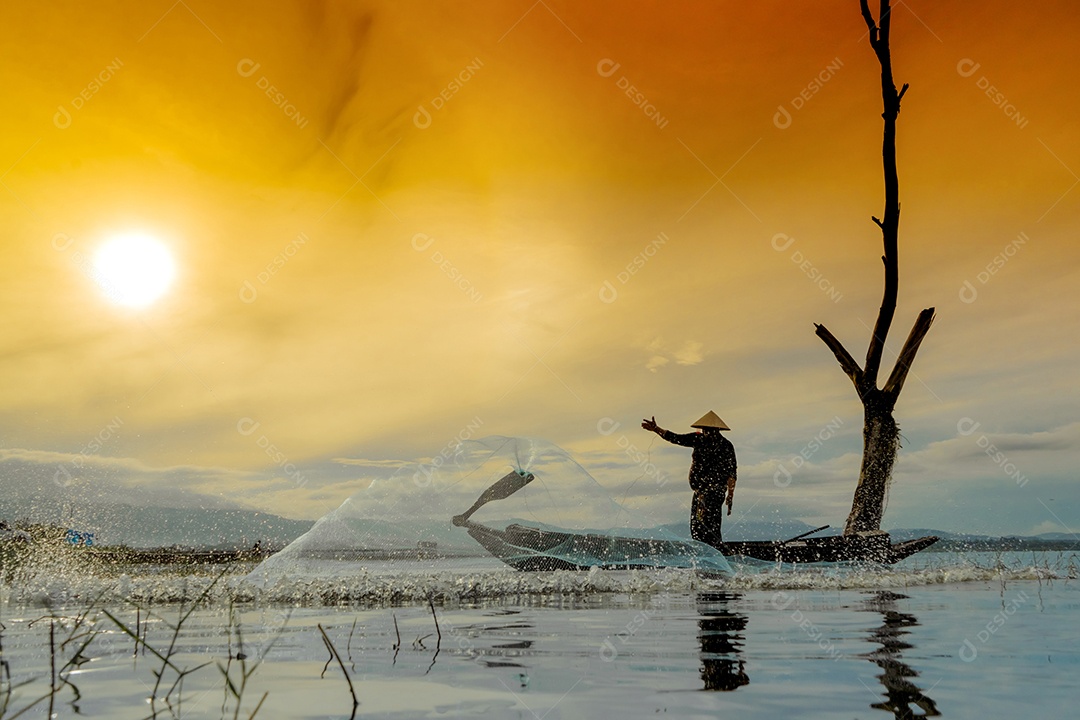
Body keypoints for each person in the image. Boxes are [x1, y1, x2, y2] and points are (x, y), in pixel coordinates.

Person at [642, 410, 736, 548]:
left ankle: (712, 554)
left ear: (715, 430)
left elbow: (731, 474)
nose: (707, 432)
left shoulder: (723, 445)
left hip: (711, 493)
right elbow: (675, 438)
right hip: (703, 492)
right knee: (702, 527)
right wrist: (656, 429)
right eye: (706, 430)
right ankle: (709, 552)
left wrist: (730, 495)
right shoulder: (702, 440)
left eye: (708, 430)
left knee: (706, 527)